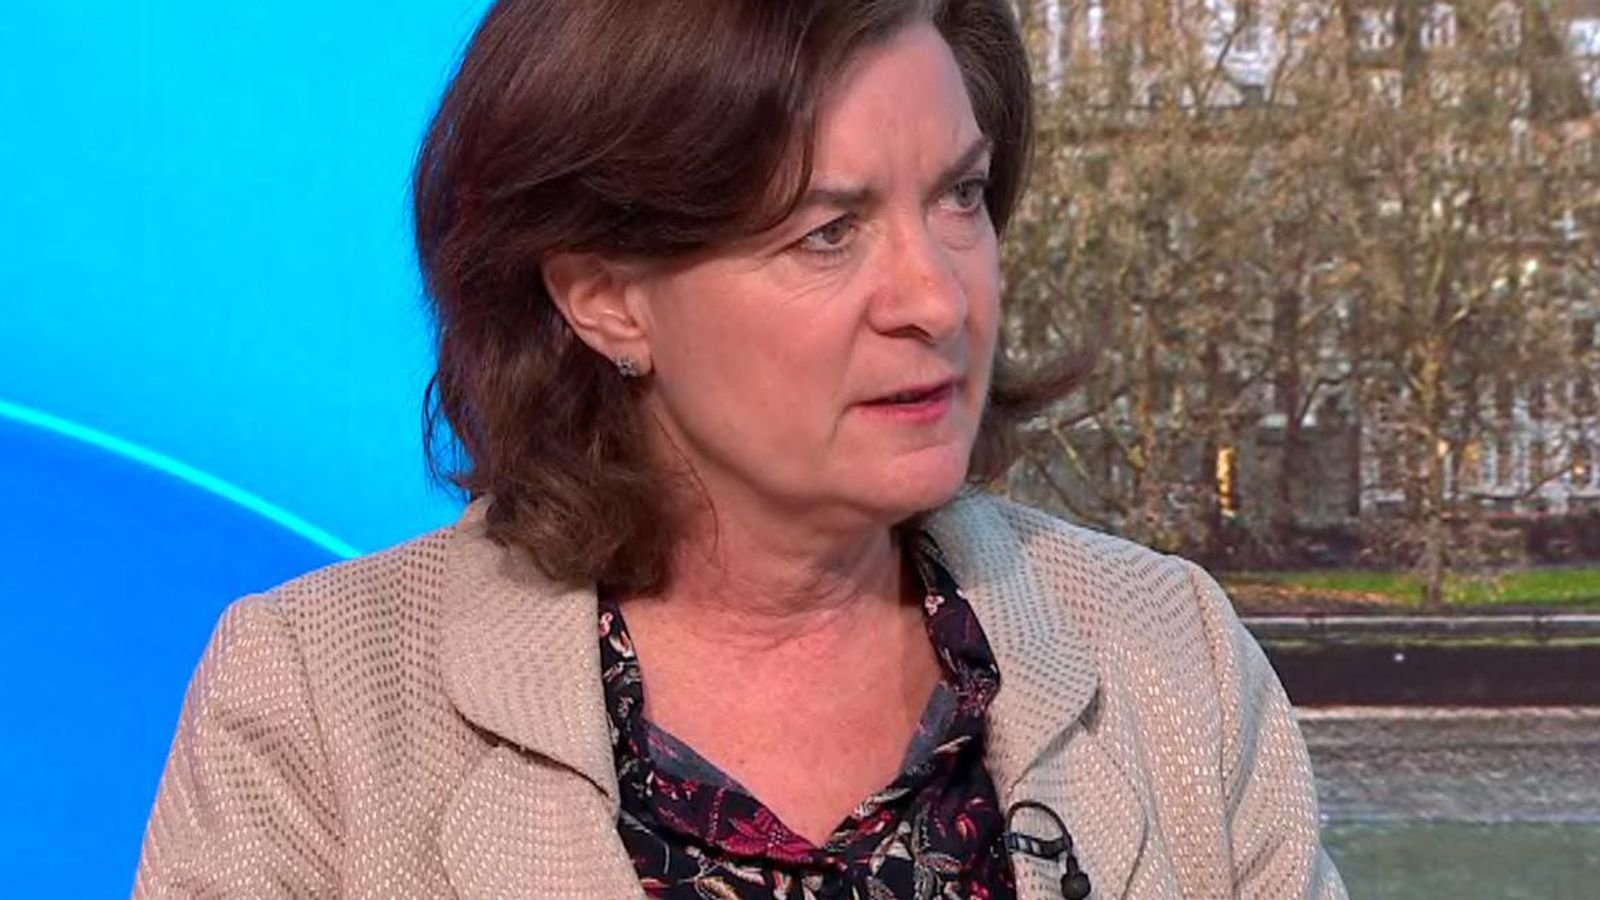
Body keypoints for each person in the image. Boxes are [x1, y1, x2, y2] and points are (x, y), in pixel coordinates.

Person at [135, 1, 1346, 897]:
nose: (936, 297)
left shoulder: (1165, 650)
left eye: (960, 196)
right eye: (827, 232)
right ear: (604, 296)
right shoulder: (313, 702)